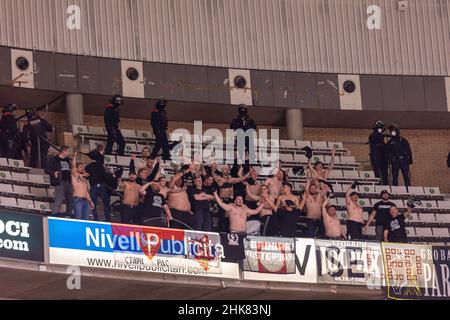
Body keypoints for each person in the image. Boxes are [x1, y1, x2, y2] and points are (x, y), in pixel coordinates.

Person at [213, 164, 252, 232]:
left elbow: (241, 179)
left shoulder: (231, 179)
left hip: (231, 201)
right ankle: (221, 233)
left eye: (228, 169)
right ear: (222, 170)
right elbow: (214, 176)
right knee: (222, 219)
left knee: (230, 219)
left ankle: (230, 234)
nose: (227, 170)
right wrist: (213, 169)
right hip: (223, 201)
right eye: (225, 169)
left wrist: (249, 172)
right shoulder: (220, 179)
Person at [84, 145, 111, 222]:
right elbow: (85, 174)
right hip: (95, 185)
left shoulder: (100, 165)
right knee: (94, 203)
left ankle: (106, 218)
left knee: (104, 201)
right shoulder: (89, 166)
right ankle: (98, 219)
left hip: (100, 185)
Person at [45, 145, 73, 217]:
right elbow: (47, 169)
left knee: (70, 200)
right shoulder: (54, 159)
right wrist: (53, 173)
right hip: (60, 182)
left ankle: (68, 215)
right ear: (63, 151)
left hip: (69, 182)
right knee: (58, 199)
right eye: (67, 151)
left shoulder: (68, 160)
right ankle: (54, 215)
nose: (68, 153)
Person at [71, 151, 94, 220]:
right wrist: (74, 157)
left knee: (86, 219)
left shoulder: (84, 179)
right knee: (78, 218)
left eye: (83, 167)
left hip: (86, 201)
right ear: (77, 168)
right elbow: (73, 166)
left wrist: (90, 201)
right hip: (78, 199)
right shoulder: (75, 175)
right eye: (80, 167)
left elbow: (86, 191)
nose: (82, 168)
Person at [368, 120, 389, 185]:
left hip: (383, 156)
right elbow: (377, 138)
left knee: (385, 173)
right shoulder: (372, 136)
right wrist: (383, 133)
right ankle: (378, 185)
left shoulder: (381, 135)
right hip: (376, 156)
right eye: (379, 128)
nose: (380, 129)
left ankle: (386, 185)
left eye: (381, 128)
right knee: (377, 173)